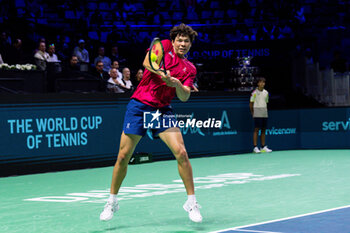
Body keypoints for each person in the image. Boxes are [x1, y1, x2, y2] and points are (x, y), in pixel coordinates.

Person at [100, 23, 202, 223]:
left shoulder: (189, 68)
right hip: (139, 106)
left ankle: (192, 202)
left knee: (181, 153)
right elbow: (148, 63)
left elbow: (184, 97)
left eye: (186, 41)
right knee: (123, 156)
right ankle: (111, 201)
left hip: (162, 110)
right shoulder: (162, 46)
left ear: (190, 45)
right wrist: (161, 74)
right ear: (173, 41)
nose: (182, 44)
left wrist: (177, 84)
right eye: (179, 40)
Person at [249, 77, 272, 153]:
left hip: (264, 112)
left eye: (263, 82)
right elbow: (251, 104)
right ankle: (255, 147)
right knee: (256, 129)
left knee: (263, 129)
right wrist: (253, 112)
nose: (262, 84)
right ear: (258, 83)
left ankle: (263, 147)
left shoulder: (266, 93)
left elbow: (266, 102)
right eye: (261, 82)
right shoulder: (254, 93)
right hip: (257, 111)